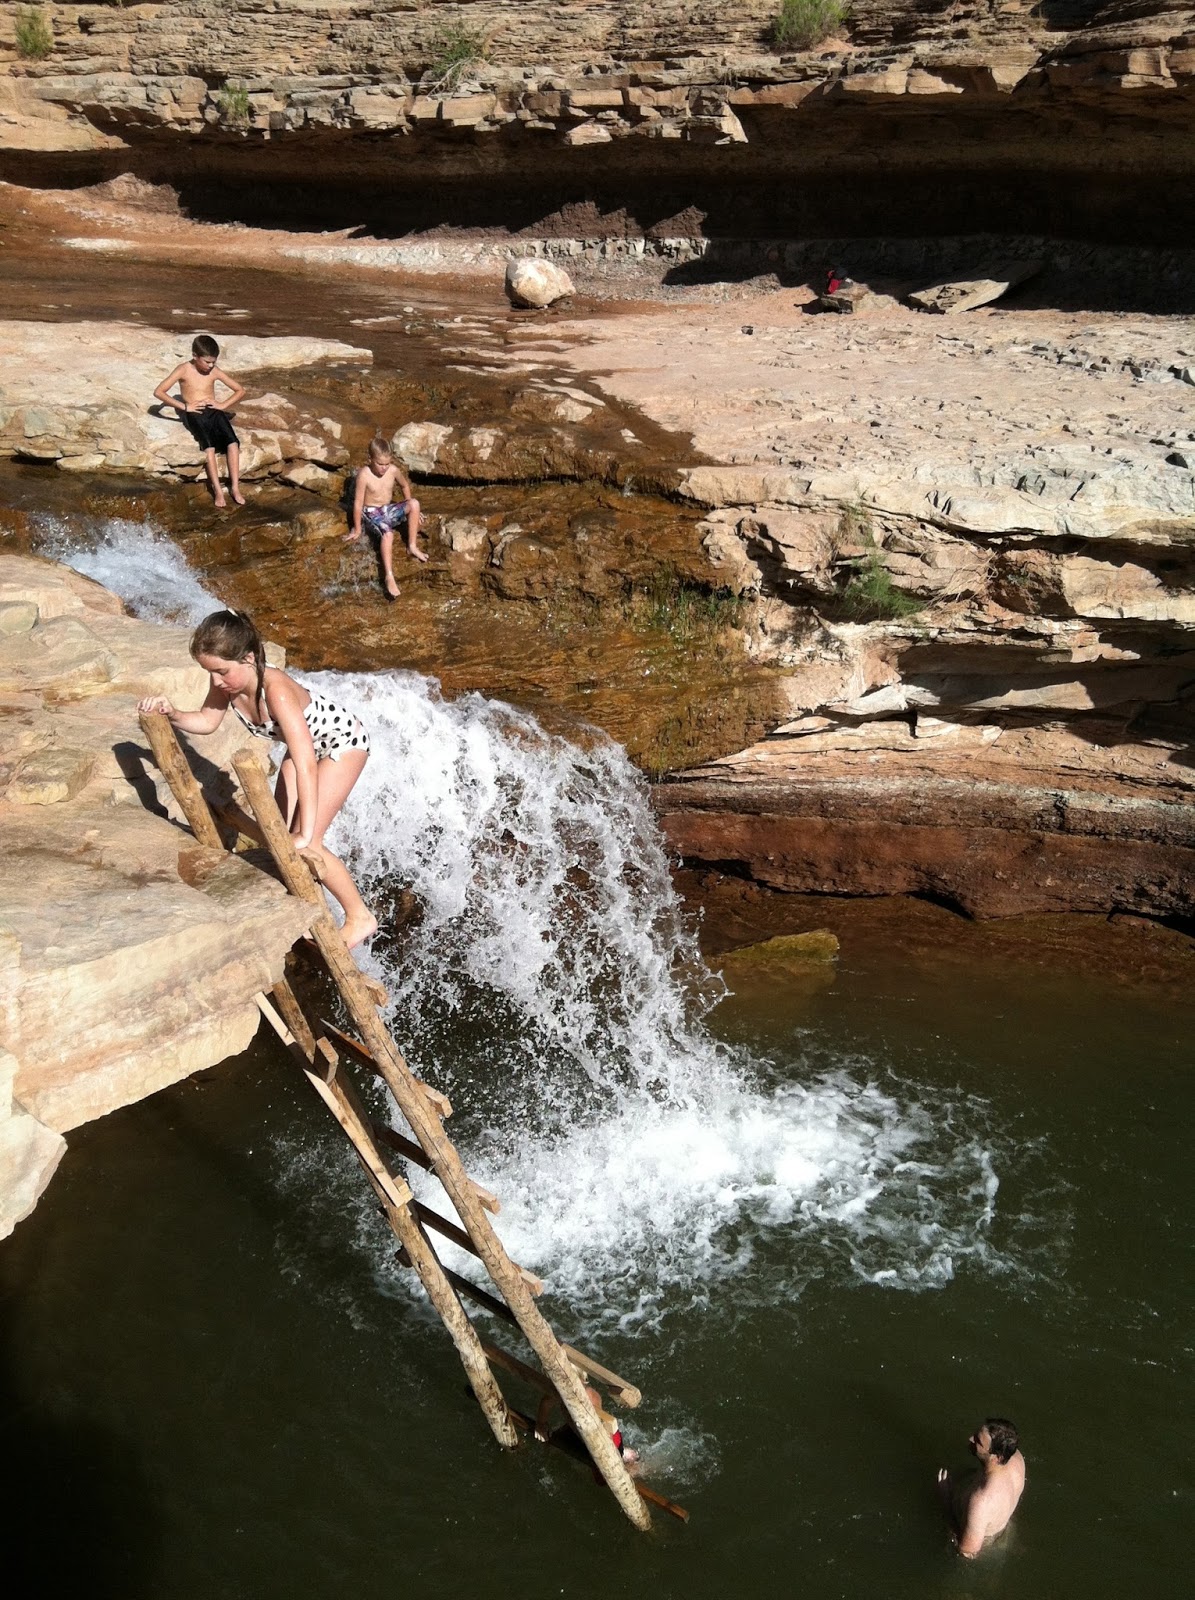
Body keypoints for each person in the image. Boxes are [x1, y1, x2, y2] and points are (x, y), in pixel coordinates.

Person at [137, 608, 377, 949]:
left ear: (248, 659)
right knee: (280, 836)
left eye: (221, 672)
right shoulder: (228, 685)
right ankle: (309, 907)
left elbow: (306, 764)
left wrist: (307, 831)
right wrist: (171, 712)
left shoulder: (275, 690)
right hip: (306, 751)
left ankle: (359, 916)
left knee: (307, 842)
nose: (216, 681)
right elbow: (206, 721)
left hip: (343, 745)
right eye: (210, 672)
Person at [153, 334, 246, 508]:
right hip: (195, 413)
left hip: (213, 410)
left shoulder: (214, 371)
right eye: (207, 362)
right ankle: (218, 491)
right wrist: (184, 407)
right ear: (195, 356)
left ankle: (235, 487)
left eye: (213, 362)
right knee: (209, 448)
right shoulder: (183, 369)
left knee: (233, 443)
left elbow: (240, 390)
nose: (210, 366)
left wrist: (222, 405)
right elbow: (159, 392)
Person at [344, 434, 426, 600]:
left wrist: (411, 508)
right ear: (370, 459)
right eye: (380, 464)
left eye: (387, 464)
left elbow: (404, 486)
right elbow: (358, 503)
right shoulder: (364, 475)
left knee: (415, 504)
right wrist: (357, 528)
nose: (384, 468)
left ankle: (412, 546)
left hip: (387, 509)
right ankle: (389, 575)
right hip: (371, 512)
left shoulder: (393, 470)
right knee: (388, 534)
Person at [937, 1418, 1025, 1558]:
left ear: (997, 1458)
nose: (970, 1439)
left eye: (978, 1441)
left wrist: (946, 1500)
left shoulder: (981, 1502)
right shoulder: (1016, 1458)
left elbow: (966, 1553)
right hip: (1003, 1526)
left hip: (985, 1544)